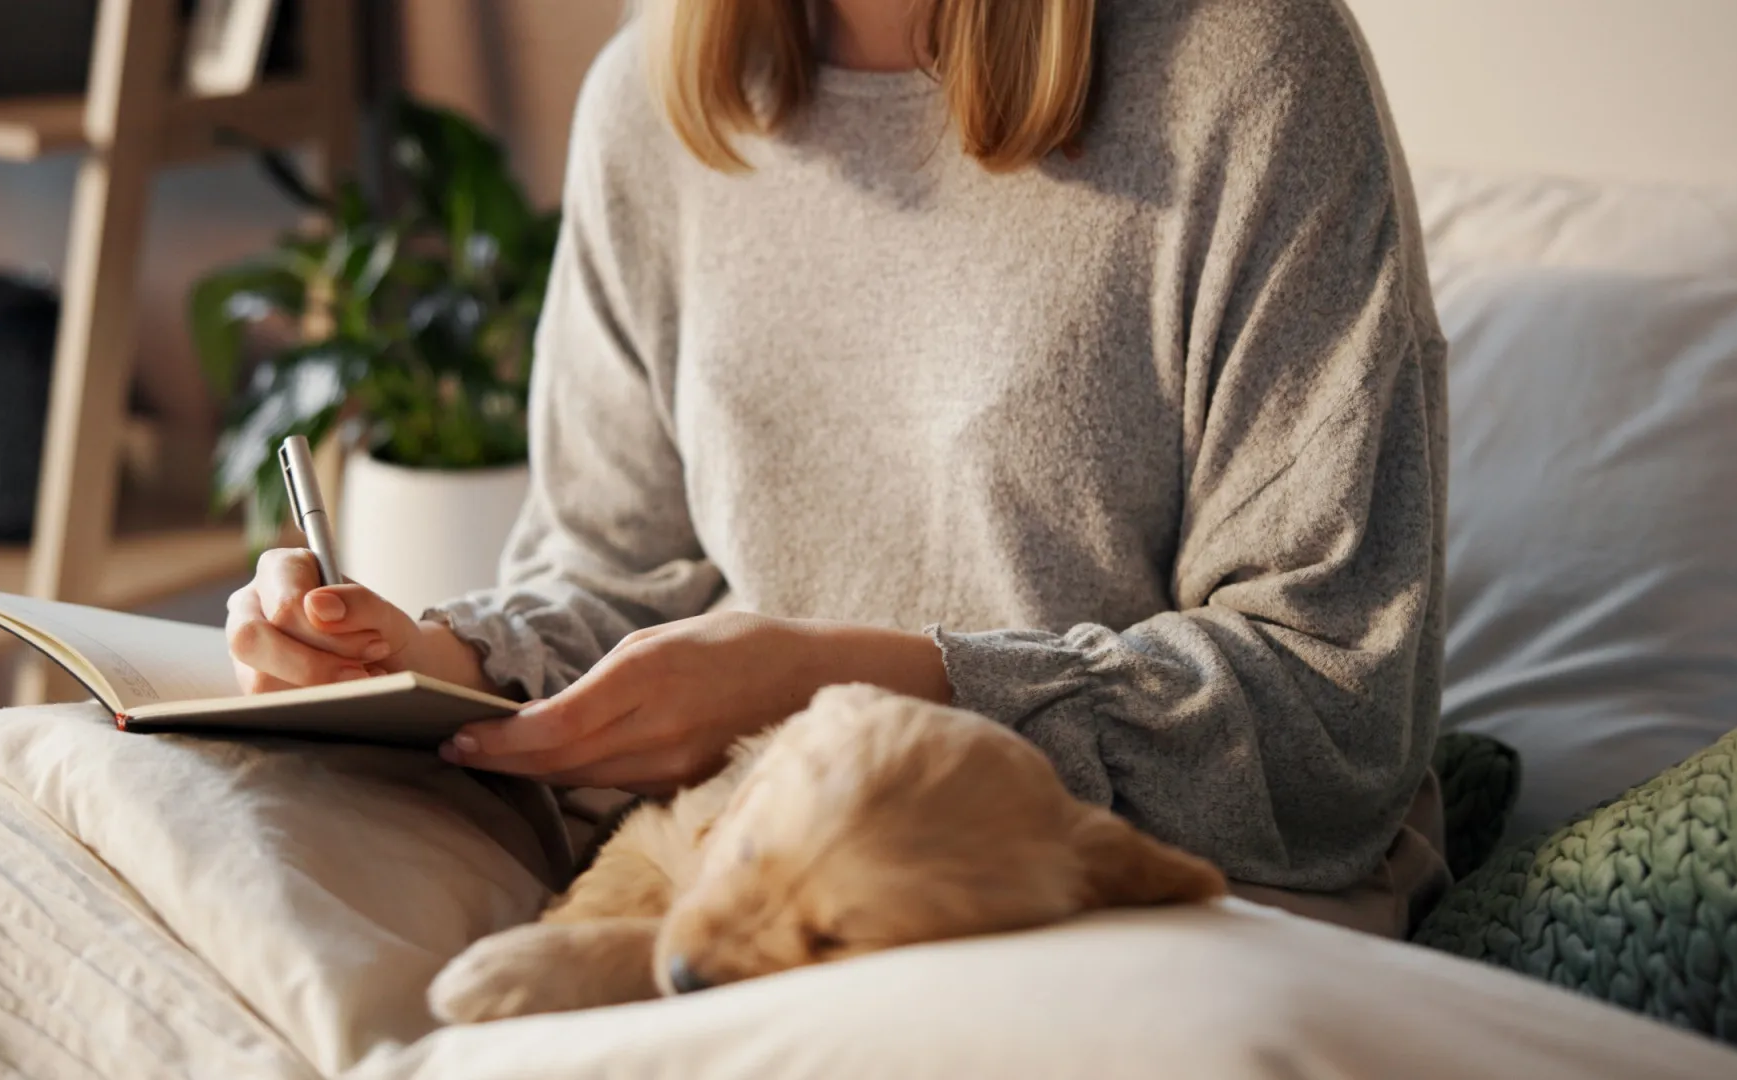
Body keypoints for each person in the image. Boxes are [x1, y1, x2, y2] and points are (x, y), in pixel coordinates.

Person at [226, 0, 1452, 937]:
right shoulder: (649, 103)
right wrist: (423, 661)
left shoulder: (1251, 73)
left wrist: (835, 687)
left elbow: (1329, 724)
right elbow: (616, 577)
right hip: (746, 871)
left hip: (1117, 894)